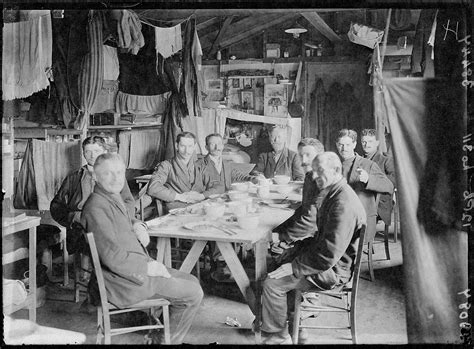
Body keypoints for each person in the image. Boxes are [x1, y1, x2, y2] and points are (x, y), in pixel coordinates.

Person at [81, 153, 203, 345]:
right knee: (193, 293)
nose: (116, 178)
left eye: (119, 172)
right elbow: (112, 256)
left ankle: (159, 335)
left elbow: (123, 220)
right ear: (95, 176)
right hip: (122, 281)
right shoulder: (96, 207)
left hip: (130, 270)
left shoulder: (109, 196)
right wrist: (149, 268)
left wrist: (137, 223)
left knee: (191, 280)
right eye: (108, 173)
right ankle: (165, 341)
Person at [258, 152, 366, 344]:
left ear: (336, 170)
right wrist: (292, 251)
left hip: (334, 271)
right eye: (314, 171)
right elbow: (321, 241)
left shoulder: (343, 203)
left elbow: (327, 254)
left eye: (320, 171)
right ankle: (296, 328)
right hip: (329, 263)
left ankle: (277, 337)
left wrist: (294, 266)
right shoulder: (336, 193)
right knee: (277, 263)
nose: (314, 176)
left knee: (272, 285)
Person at [335, 129, 393, 253]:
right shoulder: (334, 165)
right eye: (341, 144)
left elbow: (388, 186)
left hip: (359, 222)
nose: (344, 148)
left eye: (348, 145)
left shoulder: (368, 165)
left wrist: (368, 180)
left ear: (355, 144)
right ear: (336, 145)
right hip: (338, 216)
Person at [271, 138, 325, 259]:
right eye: (301, 156)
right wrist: (281, 232)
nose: (304, 161)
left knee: (277, 252)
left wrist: (282, 237)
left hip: (319, 240)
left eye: (308, 155)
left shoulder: (322, 181)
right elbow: (303, 210)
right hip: (309, 234)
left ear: (320, 157)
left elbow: (311, 222)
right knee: (275, 244)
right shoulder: (310, 177)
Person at [147, 132, 206, 213]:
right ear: (176, 146)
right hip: (178, 209)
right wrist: (179, 196)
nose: (186, 151)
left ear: (194, 147)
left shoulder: (201, 164)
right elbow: (153, 187)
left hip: (200, 206)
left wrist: (202, 196)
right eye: (182, 146)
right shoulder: (166, 165)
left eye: (190, 146)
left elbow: (214, 185)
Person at [361, 129, 396, 226]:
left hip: (379, 201)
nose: (366, 144)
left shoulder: (385, 160)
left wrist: (370, 180)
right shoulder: (359, 160)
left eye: (370, 141)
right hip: (361, 198)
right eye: (364, 142)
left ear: (377, 143)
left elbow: (394, 181)